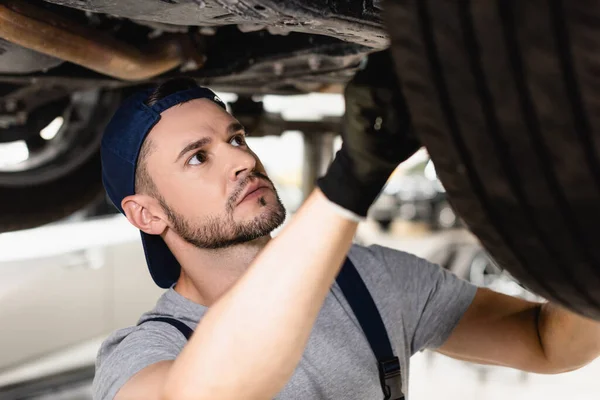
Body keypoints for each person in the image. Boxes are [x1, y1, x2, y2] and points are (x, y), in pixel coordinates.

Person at [93, 50, 600, 400]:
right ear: (148, 213)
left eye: (237, 138)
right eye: (198, 158)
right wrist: (350, 181)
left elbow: (546, 341)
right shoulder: (141, 354)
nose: (240, 160)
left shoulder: (369, 280)